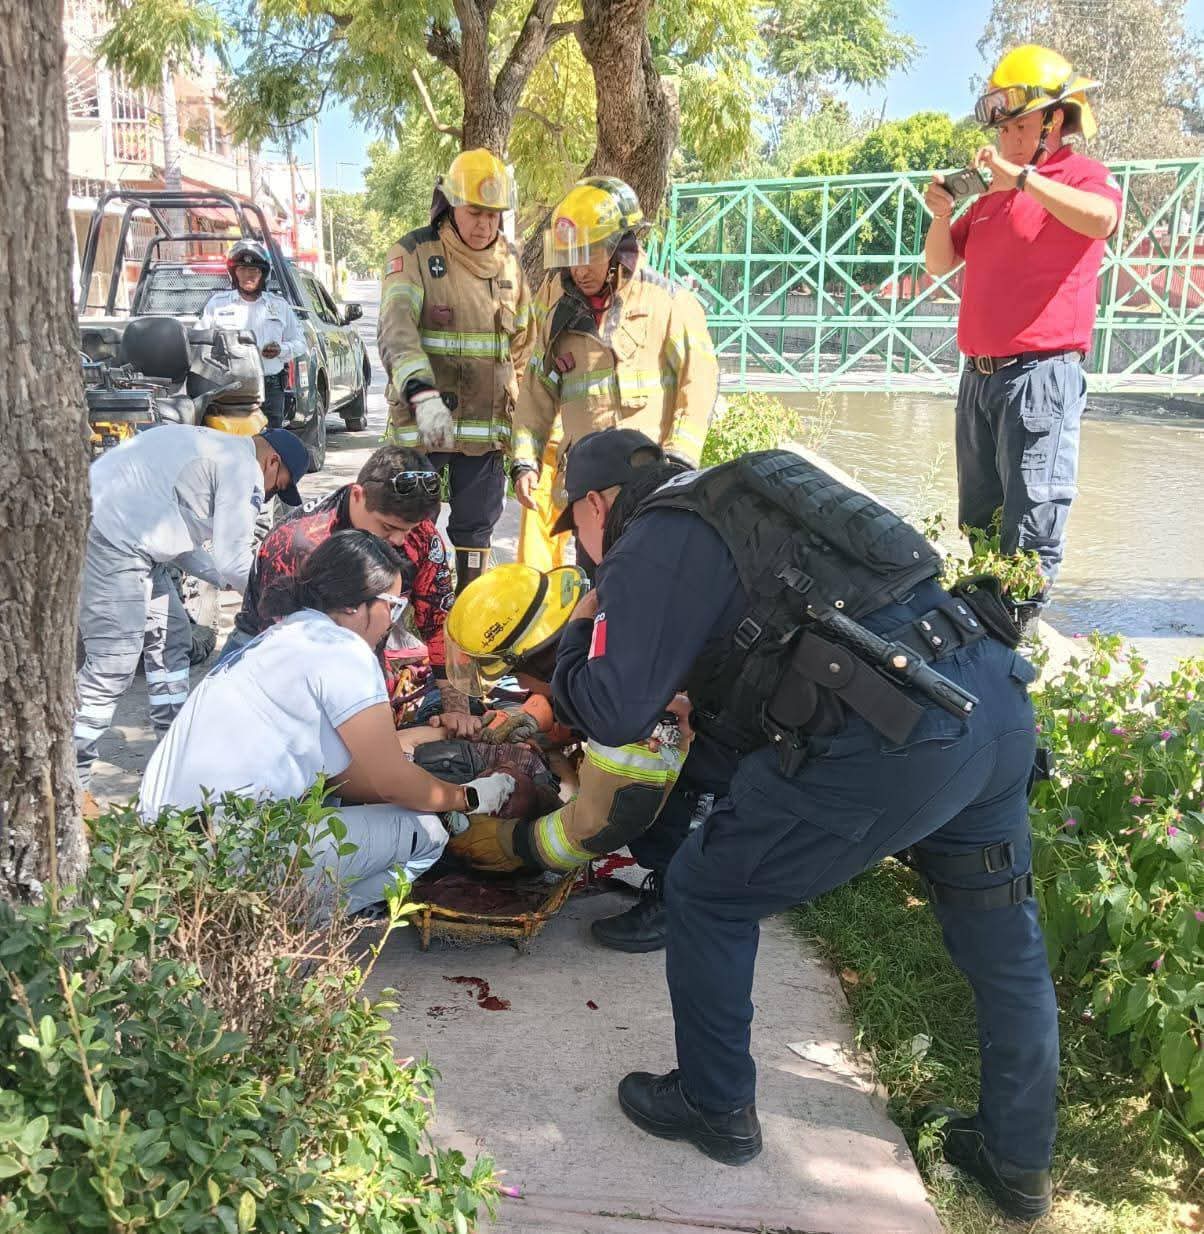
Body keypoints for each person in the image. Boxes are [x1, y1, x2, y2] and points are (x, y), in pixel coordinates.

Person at [549, 429, 1057, 1222]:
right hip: (989, 693)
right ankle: (1016, 1161)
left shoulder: (651, 537)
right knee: (1004, 944)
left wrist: (583, 623)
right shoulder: (755, 493)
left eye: (574, 528)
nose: (580, 545)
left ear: (594, 504)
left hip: (894, 732)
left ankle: (715, 1106)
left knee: (708, 893)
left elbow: (612, 710)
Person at [140, 532, 515, 914]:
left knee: (332, 804)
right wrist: (468, 797)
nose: (391, 622)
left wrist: (421, 737)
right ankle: (300, 925)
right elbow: (389, 783)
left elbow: (343, 775)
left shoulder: (283, 636)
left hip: (165, 849)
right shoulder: (344, 650)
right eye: (392, 606)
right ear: (353, 605)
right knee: (428, 834)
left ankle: (269, 920)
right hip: (232, 852)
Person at [924, 45, 1120, 604]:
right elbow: (939, 263)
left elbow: (1104, 219)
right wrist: (942, 214)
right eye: (1004, 128)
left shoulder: (1081, 177)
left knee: (1031, 525)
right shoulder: (990, 198)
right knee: (980, 519)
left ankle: (1014, 634)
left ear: (1053, 122)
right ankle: (983, 625)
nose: (1008, 138)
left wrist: (1025, 180)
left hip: (1040, 377)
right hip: (978, 378)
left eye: (1020, 125)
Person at [75, 425, 310, 796]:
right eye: (276, 487)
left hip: (132, 539)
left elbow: (184, 546)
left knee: (172, 641)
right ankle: (70, 775)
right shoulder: (242, 467)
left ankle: (171, 758)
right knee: (113, 664)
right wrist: (277, 599)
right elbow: (235, 559)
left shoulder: (214, 449)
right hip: (113, 541)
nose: (268, 497)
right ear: (272, 462)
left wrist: (227, 579)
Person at [510, 177, 718, 567]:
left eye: (588, 254)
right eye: (571, 255)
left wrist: (678, 464)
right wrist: (525, 460)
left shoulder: (668, 304)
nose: (579, 269)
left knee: (645, 590)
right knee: (594, 590)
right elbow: (537, 391)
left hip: (649, 494)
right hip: (589, 498)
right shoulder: (556, 309)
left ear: (619, 247)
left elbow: (699, 385)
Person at [439, 562, 689, 878]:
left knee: (669, 846)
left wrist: (513, 842)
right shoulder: (607, 631)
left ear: (540, 663)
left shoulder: (625, 707)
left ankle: (671, 886)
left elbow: (606, 823)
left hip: (728, 770)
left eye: (514, 675)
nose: (521, 686)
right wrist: (543, 719)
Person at [218, 444, 477, 734]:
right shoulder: (299, 542)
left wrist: (457, 709)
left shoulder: (420, 537)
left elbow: (440, 623)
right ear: (357, 496)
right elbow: (284, 657)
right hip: (264, 653)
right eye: (388, 528)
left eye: (409, 529)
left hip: (356, 651)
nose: (400, 541)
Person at [378, 148, 535, 593]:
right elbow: (396, 330)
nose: (484, 224)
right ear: (450, 204)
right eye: (475, 212)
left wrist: (523, 442)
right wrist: (422, 396)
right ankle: (403, 615)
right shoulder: (414, 254)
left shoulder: (510, 264)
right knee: (406, 528)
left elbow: (523, 353)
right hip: (423, 429)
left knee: (475, 537)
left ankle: (466, 614)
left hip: (484, 435)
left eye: (493, 214)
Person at [197, 240, 308, 428]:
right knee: (230, 441)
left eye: (254, 270)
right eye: (242, 269)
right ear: (234, 273)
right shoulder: (218, 305)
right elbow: (199, 343)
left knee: (270, 441)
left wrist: (281, 349)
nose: (248, 275)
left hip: (270, 388)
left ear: (263, 274)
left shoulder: (279, 306)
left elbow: (300, 343)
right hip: (229, 390)